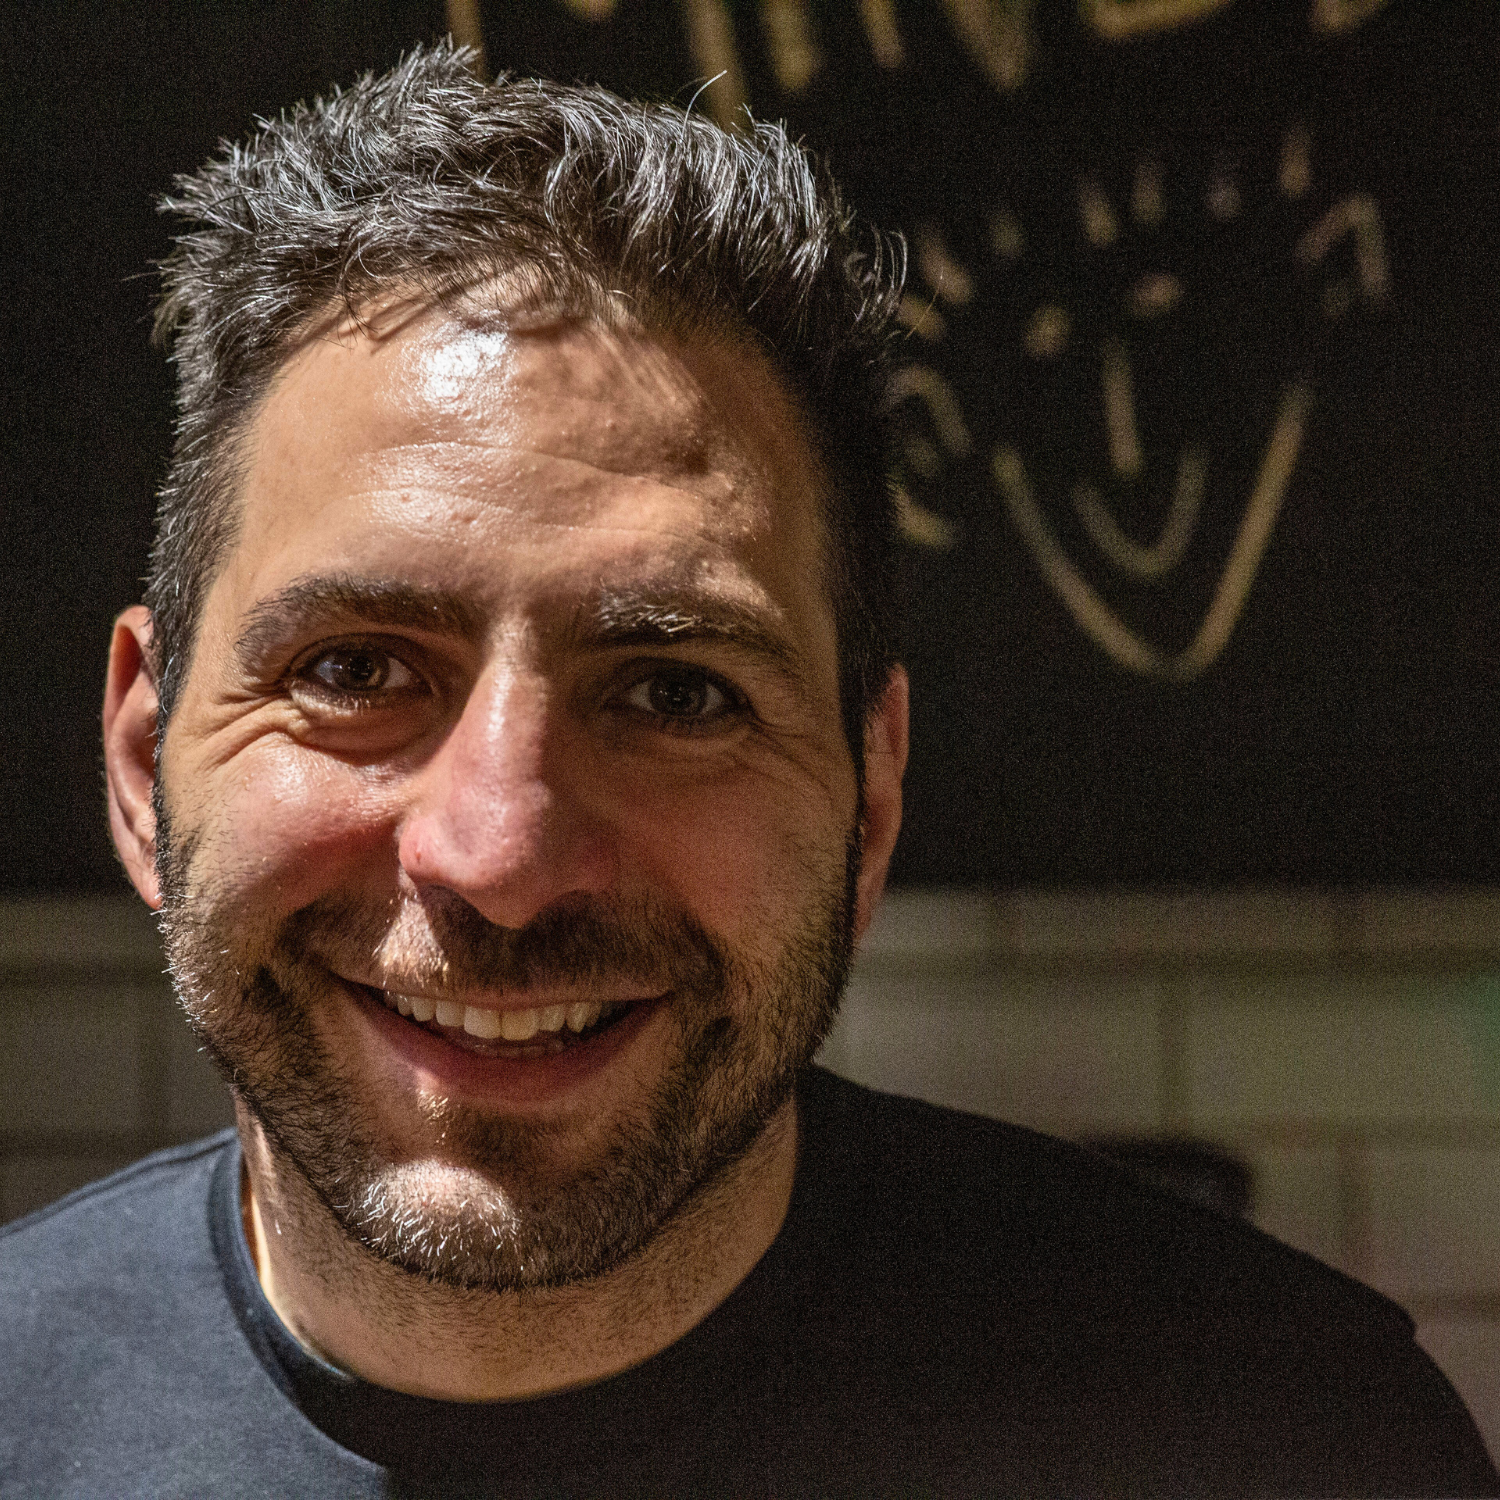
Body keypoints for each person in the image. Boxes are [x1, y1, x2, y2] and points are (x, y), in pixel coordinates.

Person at [0, 43, 1493, 1498]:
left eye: (673, 688)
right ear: (144, 761)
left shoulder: (1286, 1439)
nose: (501, 856)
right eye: (354, 672)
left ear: (871, 797)